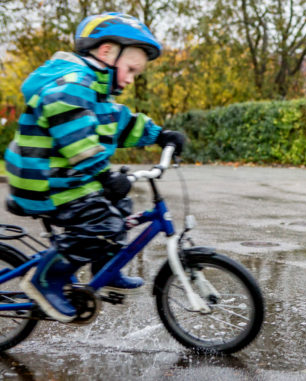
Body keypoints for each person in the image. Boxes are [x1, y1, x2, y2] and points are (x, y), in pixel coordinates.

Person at [4, 12, 185, 322]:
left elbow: (121, 122)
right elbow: (75, 134)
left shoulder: (96, 92)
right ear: (106, 52)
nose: (129, 79)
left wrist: (160, 135)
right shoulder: (73, 83)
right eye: (130, 70)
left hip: (64, 179)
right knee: (102, 224)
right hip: (43, 181)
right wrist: (104, 174)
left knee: (119, 205)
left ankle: (105, 267)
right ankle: (44, 281)